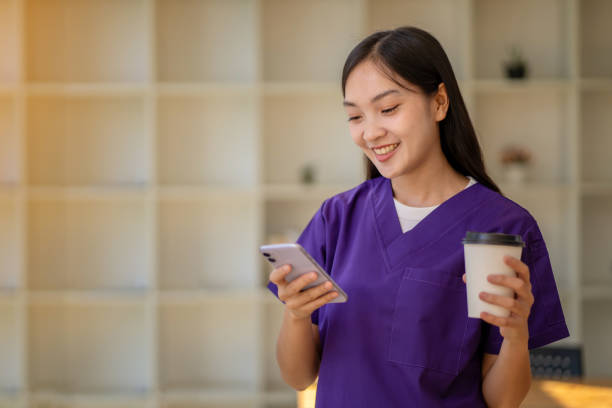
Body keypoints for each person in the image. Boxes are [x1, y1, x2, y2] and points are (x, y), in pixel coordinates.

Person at [266, 26, 569, 407]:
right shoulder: (337, 217)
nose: (371, 132)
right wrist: (296, 316)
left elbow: (503, 401)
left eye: (388, 109)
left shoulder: (503, 228)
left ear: (439, 102)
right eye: (355, 117)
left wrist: (516, 335)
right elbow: (298, 375)